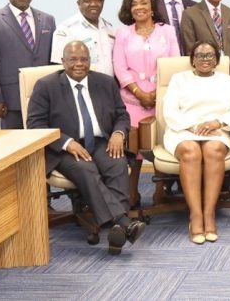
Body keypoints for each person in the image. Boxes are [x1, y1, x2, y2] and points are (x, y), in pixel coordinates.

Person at [27, 41, 145, 255]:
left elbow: (121, 114)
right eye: (73, 59)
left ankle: (116, 231)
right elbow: (35, 124)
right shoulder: (46, 86)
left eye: (84, 59)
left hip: (100, 141)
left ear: (90, 61)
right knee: (86, 169)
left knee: (117, 164)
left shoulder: (105, 82)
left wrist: (119, 134)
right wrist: (66, 142)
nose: (79, 64)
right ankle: (123, 222)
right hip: (64, 148)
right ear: (63, 61)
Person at [162, 41, 230, 244]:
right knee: (191, 151)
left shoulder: (227, 81)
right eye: (200, 55)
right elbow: (170, 111)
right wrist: (192, 126)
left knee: (214, 149)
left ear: (217, 60)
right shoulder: (179, 79)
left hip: (215, 130)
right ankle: (196, 215)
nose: (204, 59)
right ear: (192, 59)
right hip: (183, 129)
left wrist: (218, 122)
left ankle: (209, 213)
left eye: (210, 55)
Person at [0, 0, 56, 129]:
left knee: (45, 146)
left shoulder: (48, 20)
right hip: (11, 101)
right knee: (13, 145)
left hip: (46, 97)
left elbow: (53, 59)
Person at [112, 0, 180, 128]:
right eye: (134, 4)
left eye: (143, 3)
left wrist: (155, 94)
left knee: (161, 144)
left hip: (162, 100)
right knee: (135, 146)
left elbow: (175, 65)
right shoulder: (122, 33)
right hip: (131, 101)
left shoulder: (167, 30)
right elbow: (119, 67)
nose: (139, 7)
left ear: (152, 6)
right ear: (129, 10)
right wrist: (140, 94)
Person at [52, 0, 116, 76]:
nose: (93, 4)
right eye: (87, 1)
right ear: (78, 3)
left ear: (103, 2)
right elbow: (58, 66)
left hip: (109, 87)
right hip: (81, 87)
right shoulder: (66, 29)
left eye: (98, 0)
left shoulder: (109, 29)